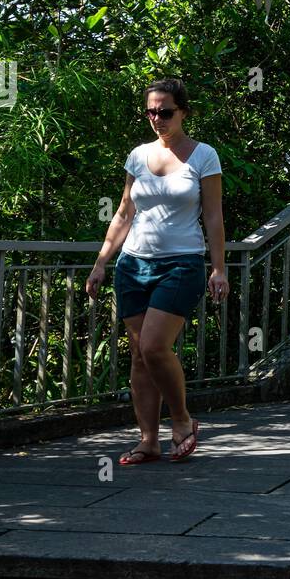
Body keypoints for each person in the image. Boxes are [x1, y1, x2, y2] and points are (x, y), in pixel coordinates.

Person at [86, 78, 227, 464]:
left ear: (183, 111)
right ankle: (148, 440)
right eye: (151, 112)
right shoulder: (137, 155)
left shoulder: (203, 156)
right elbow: (124, 213)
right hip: (133, 265)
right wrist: (101, 261)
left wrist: (218, 268)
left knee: (153, 346)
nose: (157, 119)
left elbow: (213, 216)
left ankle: (181, 420)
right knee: (138, 356)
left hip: (181, 263)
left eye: (165, 112)